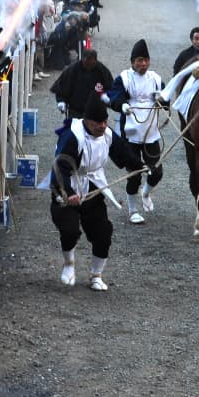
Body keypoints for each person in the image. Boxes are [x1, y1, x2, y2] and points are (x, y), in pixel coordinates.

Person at [50, 92, 144, 290]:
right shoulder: (72, 136)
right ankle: (69, 264)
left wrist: (139, 165)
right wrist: (67, 193)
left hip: (93, 185)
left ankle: (96, 275)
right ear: (86, 120)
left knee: (103, 232)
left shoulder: (107, 133)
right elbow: (60, 167)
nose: (102, 126)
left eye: (105, 121)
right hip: (68, 185)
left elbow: (122, 152)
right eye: (97, 123)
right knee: (69, 229)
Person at [107, 39, 164, 224]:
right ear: (133, 62)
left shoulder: (155, 78)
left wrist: (161, 99)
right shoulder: (124, 78)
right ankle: (133, 210)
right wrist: (122, 105)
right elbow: (114, 96)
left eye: (146, 60)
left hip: (150, 132)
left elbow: (166, 97)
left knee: (157, 172)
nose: (143, 64)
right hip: (131, 133)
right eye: (140, 60)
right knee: (134, 174)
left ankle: (146, 193)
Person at [49, 48, 114, 119]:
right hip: (76, 110)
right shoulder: (72, 70)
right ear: (82, 59)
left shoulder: (102, 71)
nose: (88, 67)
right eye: (86, 64)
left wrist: (106, 95)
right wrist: (61, 101)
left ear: (95, 61)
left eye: (91, 64)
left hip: (97, 110)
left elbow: (112, 87)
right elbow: (61, 88)